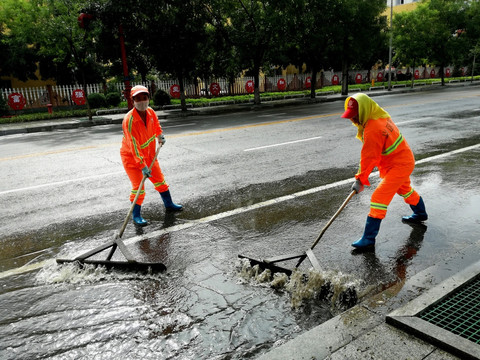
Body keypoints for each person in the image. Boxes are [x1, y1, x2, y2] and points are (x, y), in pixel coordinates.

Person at [341, 93, 427, 249]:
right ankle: (421, 214)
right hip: (400, 160)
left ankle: (368, 239)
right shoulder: (378, 115)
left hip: (399, 164)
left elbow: (369, 157)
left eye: (355, 116)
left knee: (378, 197)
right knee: (404, 189)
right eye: (350, 116)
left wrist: (360, 180)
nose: (352, 119)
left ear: (364, 111)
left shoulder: (373, 129)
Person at [120, 85, 182, 226]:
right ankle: (136, 216)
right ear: (133, 100)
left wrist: (159, 136)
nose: (142, 101)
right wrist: (142, 166)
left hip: (149, 155)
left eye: (144, 97)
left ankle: (169, 204)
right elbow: (133, 145)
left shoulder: (151, 112)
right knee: (138, 187)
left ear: (148, 98)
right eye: (138, 98)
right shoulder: (129, 121)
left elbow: (156, 126)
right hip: (132, 159)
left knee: (160, 180)